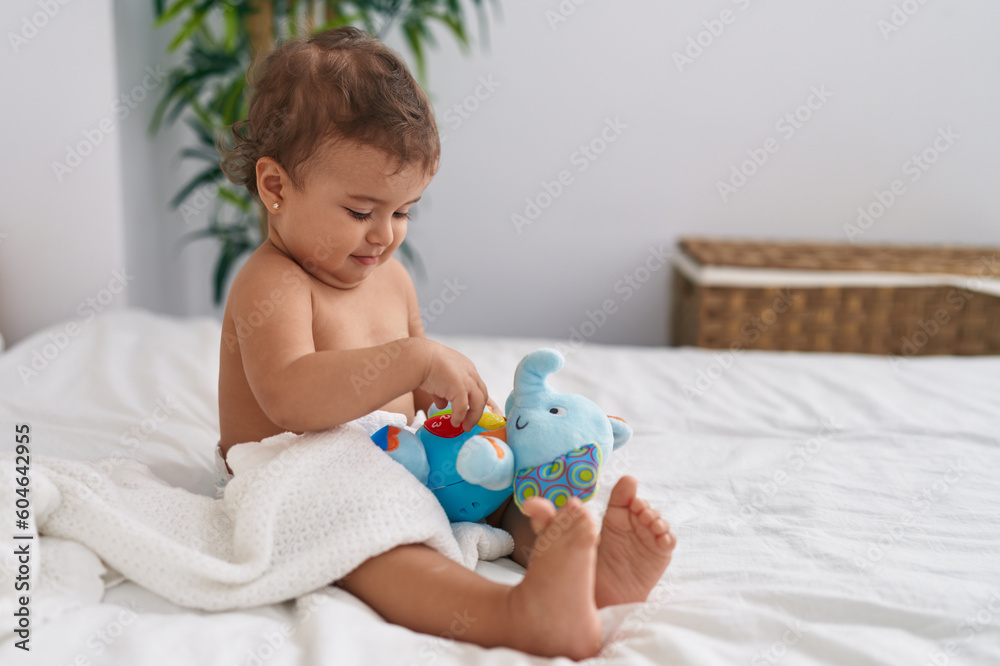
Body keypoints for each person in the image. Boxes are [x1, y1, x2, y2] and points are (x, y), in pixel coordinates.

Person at [216, 26, 675, 660]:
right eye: (359, 211)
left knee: (506, 491)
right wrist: (415, 359)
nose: (384, 235)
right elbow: (291, 398)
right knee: (376, 542)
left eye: (404, 211)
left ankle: (584, 575)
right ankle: (516, 614)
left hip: (400, 458)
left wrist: (454, 417)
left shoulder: (390, 277)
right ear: (276, 188)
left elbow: (411, 388)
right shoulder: (272, 283)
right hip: (300, 471)